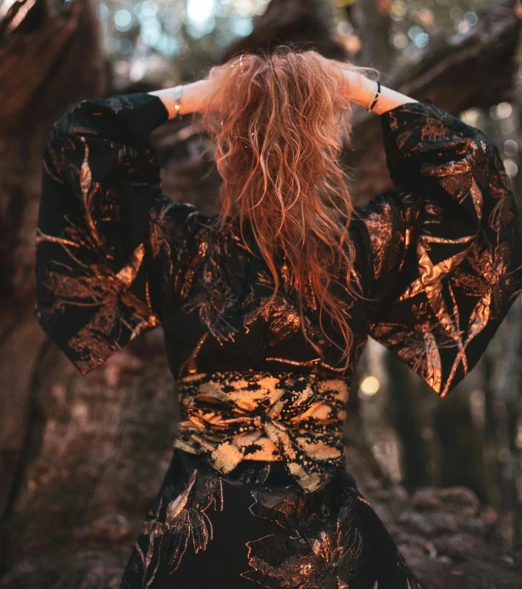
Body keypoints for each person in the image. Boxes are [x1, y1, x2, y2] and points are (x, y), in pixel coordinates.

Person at [34, 47, 522, 588]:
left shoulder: (178, 247)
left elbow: (77, 137)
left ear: (223, 153)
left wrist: (195, 97)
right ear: (324, 146)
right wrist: (367, 93)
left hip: (192, 537)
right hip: (328, 542)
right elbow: (470, 165)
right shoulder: (361, 251)